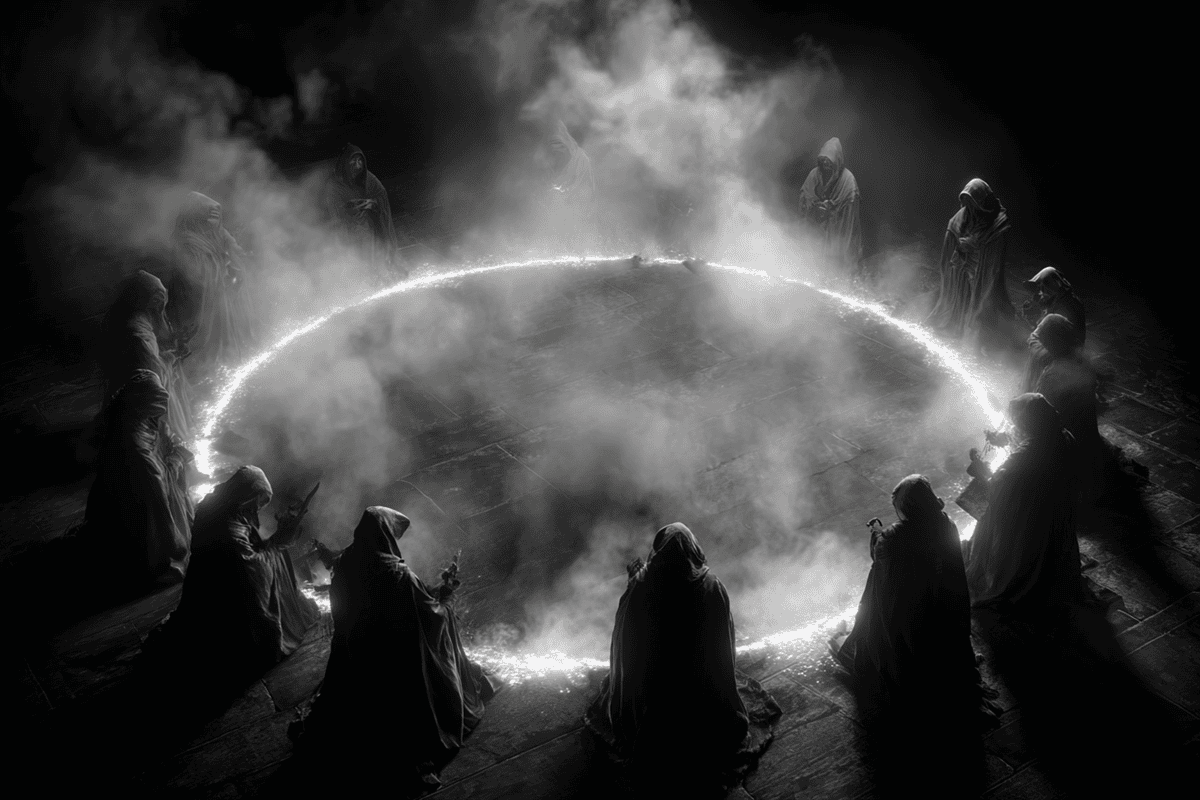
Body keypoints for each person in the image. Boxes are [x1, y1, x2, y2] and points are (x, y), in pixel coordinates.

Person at [290, 507, 495, 793]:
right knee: (438, 650)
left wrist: (428, 594)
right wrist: (446, 597)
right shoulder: (398, 575)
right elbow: (429, 617)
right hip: (393, 665)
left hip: (354, 658)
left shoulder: (347, 562)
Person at [584, 523, 779, 793]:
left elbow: (627, 642)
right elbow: (722, 648)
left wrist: (633, 583)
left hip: (655, 704)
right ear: (693, 549)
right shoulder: (712, 587)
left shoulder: (642, 588)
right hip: (702, 700)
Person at [832, 475, 997, 793]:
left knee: (873, 621)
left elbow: (882, 562)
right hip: (946, 620)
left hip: (911, 628)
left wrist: (876, 534)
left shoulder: (894, 539)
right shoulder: (947, 525)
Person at [143, 466, 318, 696]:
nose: (257, 510)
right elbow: (252, 573)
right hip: (227, 605)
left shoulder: (216, 505)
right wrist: (277, 543)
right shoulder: (229, 529)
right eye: (258, 503)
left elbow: (247, 551)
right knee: (276, 556)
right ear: (248, 496)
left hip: (207, 586)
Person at [966, 394, 1083, 622]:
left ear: (1028, 422)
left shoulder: (1028, 453)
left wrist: (980, 470)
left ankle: (1011, 574)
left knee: (990, 517)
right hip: (1059, 510)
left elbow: (999, 483)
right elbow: (1034, 441)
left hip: (1031, 515)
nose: (1016, 425)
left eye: (1019, 422)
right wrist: (1004, 439)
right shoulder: (1062, 435)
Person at [82, 368, 194, 587]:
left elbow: (161, 430)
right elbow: (158, 503)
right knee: (145, 535)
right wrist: (176, 545)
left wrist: (173, 445)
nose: (160, 409)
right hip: (139, 507)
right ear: (145, 402)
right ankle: (153, 564)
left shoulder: (129, 415)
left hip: (129, 491)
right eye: (156, 403)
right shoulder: (137, 451)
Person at [98, 269, 193, 443]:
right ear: (152, 301)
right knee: (159, 440)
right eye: (159, 303)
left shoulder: (122, 318)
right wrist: (172, 357)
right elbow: (152, 377)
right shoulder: (138, 334)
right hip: (142, 408)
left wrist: (171, 354)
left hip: (127, 398)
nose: (160, 309)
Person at [168, 191, 256, 376]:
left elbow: (234, 249)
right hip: (201, 298)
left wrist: (237, 260)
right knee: (206, 333)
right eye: (210, 216)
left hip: (222, 292)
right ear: (197, 216)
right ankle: (207, 367)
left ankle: (230, 357)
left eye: (217, 217)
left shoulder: (219, 232)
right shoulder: (187, 242)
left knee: (227, 327)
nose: (215, 222)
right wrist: (222, 271)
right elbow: (194, 275)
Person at [927, 179, 1015, 355]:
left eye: (973, 203)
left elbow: (994, 259)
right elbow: (951, 241)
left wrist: (975, 245)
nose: (970, 208)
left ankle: (981, 335)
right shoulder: (961, 217)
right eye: (966, 203)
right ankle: (958, 324)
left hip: (984, 267)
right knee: (961, 294)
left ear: (982, 202)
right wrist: (959, 250)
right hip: (962, 265)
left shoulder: (998, 223)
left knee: (984, 297)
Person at [323, 144, 401, 277]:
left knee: (374, 257)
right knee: (357, 261)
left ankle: (378, 273)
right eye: (353, 162)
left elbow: (381, 196)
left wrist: (372, 203)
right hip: (351, 232)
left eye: (360, 161)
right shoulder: (335, 185)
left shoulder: (368, 179)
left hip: (370, 229)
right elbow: (334, 211)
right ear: (345, 163)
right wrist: (351, 209)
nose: (357, 166)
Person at [798, 137, 863, 273]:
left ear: (837, 161)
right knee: (813, 260)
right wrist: (815, 206)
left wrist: (832, 208)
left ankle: (839, 271)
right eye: (823, 161)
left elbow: (849, 208)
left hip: (837, 230)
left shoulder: (848, 180)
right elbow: (806, 195)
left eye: (829, 161)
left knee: (837, 264)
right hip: (817, 226)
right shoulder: (815, 175)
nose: (825, 164)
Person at [1023, 266, 1085, 344]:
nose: (1040, 293)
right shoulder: (1054, 300)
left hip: (1063, 347)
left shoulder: (1069, 304)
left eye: (1043, 288)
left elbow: (1053, 332)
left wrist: (1037, 320)